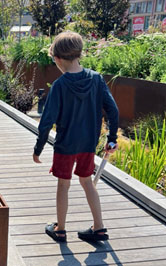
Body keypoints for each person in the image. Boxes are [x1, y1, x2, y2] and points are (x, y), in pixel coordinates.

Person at [34, 31, 119, 243]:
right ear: (79, 54)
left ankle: (60, 229)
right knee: (87, 182)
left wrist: (38, 148)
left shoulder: (60, 86)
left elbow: (46, 122)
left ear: (58, 58)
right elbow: (113, 110)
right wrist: (112, 138)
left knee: (64, 184)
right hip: (88, 144)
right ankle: (98, 227)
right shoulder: (97, 79)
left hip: (66, 145)